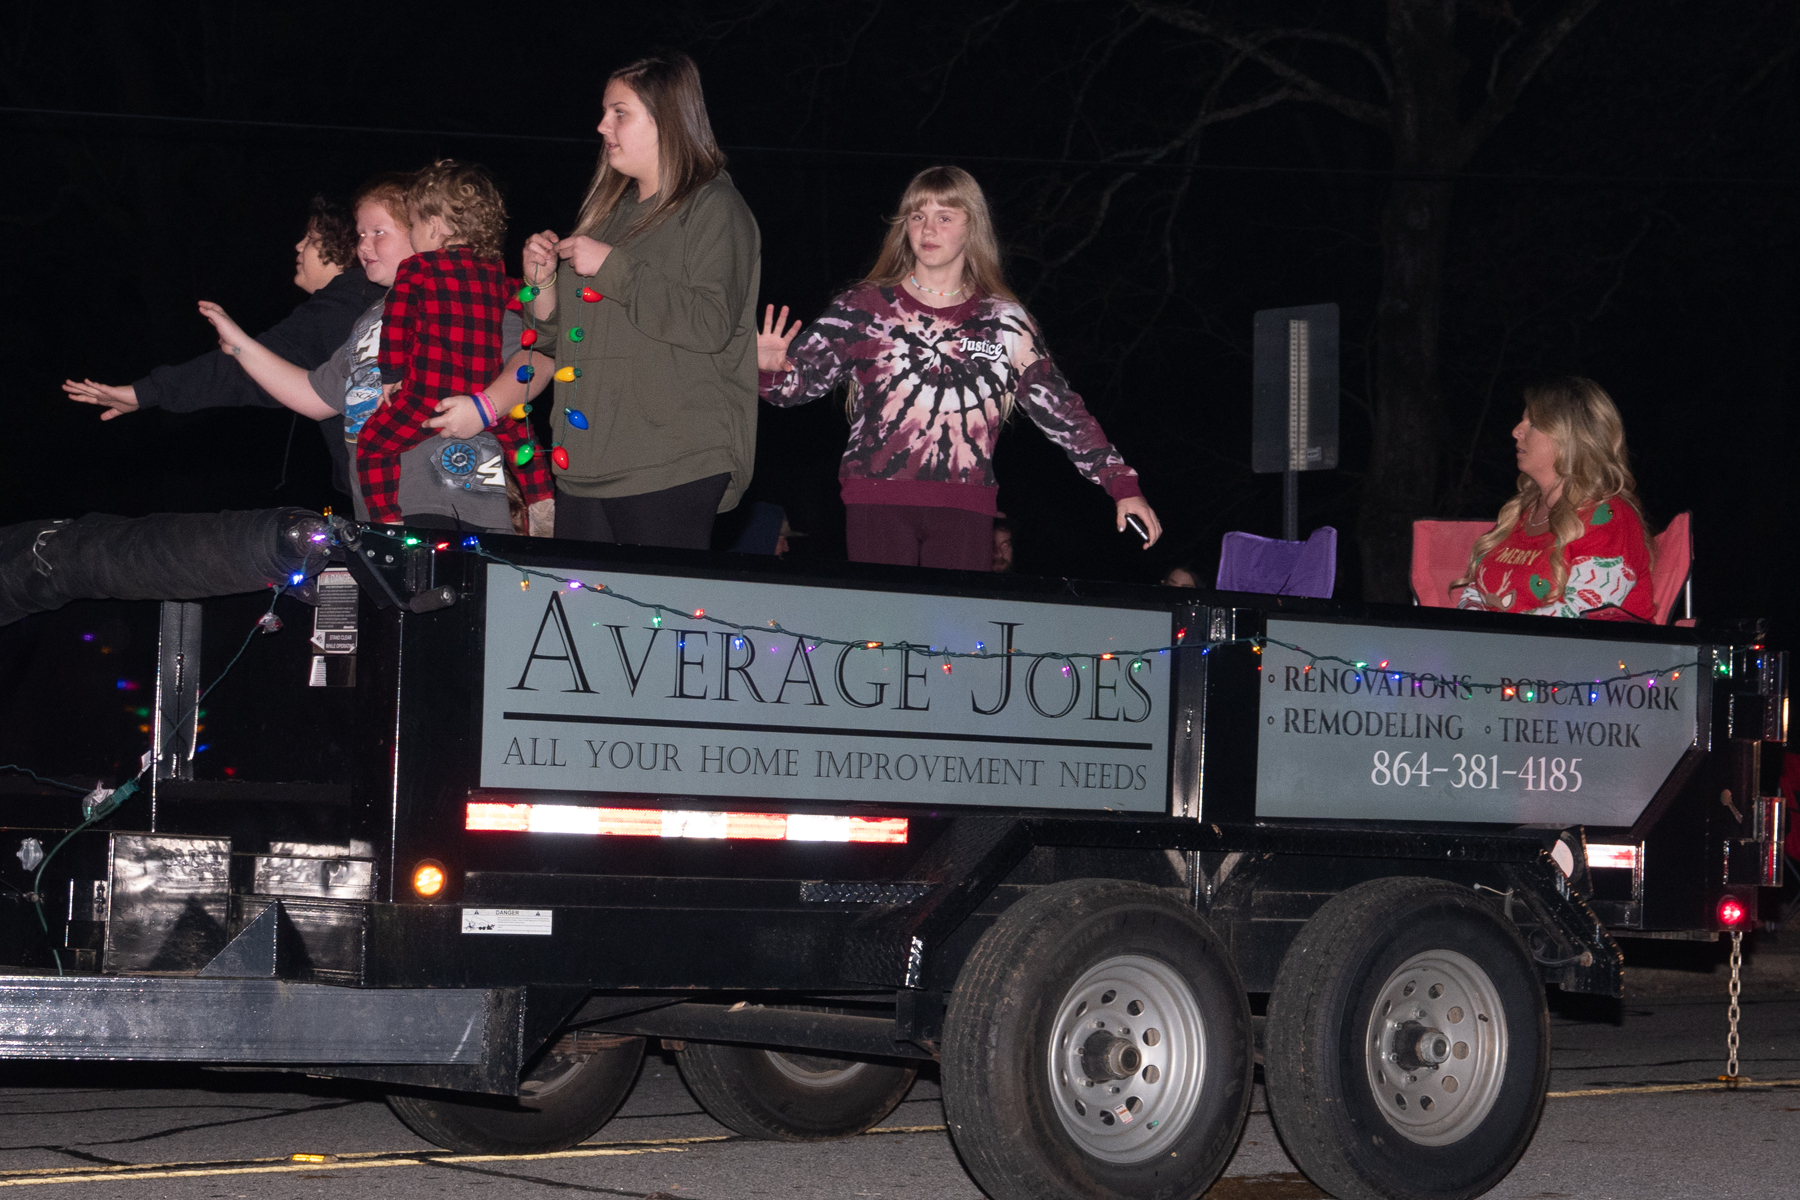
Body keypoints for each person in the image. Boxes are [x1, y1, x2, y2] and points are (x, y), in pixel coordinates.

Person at [758, 165, 1162, 572]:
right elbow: (792, 389)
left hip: (965, 501)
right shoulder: (863, 309)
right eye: (917, 216)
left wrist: (1121, 484)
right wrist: (770, 369)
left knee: (953, 633)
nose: (927, 229)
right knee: (881, 631)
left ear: (972, 228)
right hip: (876, 496)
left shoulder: (1004, 320)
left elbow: (1061, 408)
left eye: (944, 217)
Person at [193, 174, 552, 533]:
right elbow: (314, 397)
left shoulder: (469, 293)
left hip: (452, 497)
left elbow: (536, 359)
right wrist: (241, 345)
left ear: (423, 229)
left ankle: (543, 511)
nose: (364, 245)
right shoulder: (367, 321)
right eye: (360, 234)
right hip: (380, 509)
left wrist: (484, 406)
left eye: (378, 232)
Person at [511, 51, 760, 549]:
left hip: (669, 461)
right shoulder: (605, 216)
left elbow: (709, 323)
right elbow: (560, 340)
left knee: (653, 622)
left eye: (619, 112)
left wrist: (612, 267)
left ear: (666, 120)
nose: (603, 126)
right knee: (582, 624)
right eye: (606, 112)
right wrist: (539, 287)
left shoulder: (714, 207)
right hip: (585, 464)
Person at [62, 195, 384, 496]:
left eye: (312, 240)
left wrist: (143, 393)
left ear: (346, 248)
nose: (299, 246)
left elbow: (237, 372)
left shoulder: (339, 305)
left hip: (396, 496)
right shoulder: (370, 302)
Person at [352, 161, 549, 524]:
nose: (412, 234)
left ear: (434, 226)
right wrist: (541, 282)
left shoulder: (417, 269)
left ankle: (387, 519)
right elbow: (527, 305)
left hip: (427, 391)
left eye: (412, 224)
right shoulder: (492, 272)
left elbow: (396, 323)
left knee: (373, 445)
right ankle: (542, 502)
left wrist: (391, 375)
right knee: (523, 439)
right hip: (482, 390)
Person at [1454, 376, 1655, 620]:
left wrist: (1495, 639)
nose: (1516, 431)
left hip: (1583, 656)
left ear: (1570, 438)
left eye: (1533, 424)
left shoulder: (1609, 516)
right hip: (1504, 650)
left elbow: (1583, 614)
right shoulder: (1521, 513)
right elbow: (1476, 592)